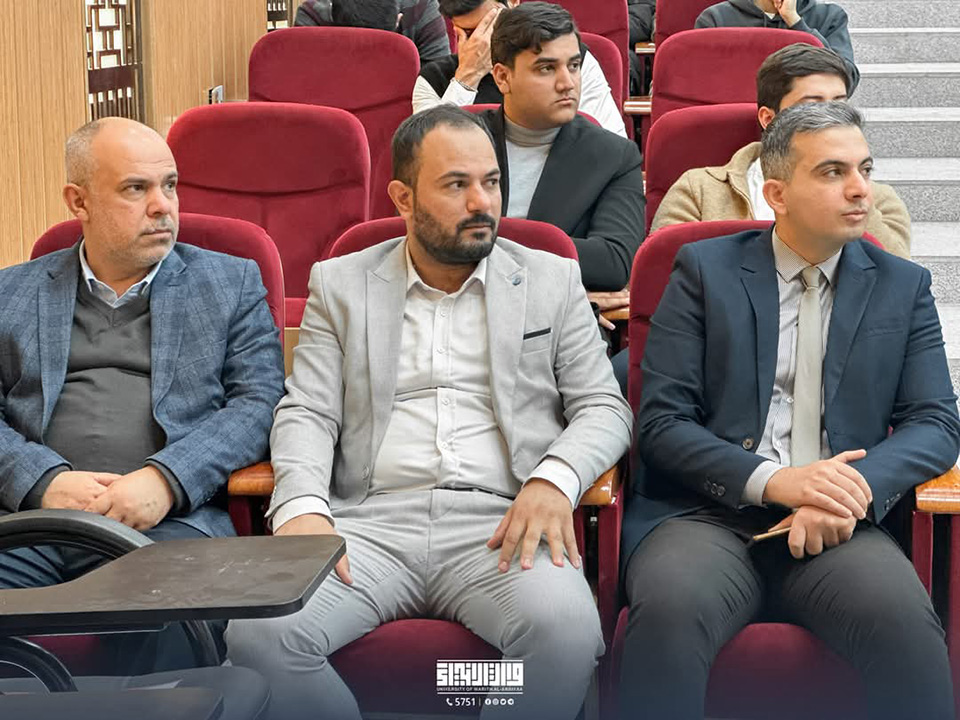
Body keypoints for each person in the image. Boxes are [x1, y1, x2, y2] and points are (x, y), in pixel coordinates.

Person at [225, 104, 631, 720]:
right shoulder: (342, 284)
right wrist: (302, 509)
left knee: (565, 636)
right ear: (403, 198)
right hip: (367, 521)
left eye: (491, 182)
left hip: (502, 521)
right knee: (258, 637)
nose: (482, 202)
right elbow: (308, 411)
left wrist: (554, 480)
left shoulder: (550, 279)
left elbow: (603, 406)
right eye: (456, 184)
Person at [620, 102, 958, 720]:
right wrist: (779, 482)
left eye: (865, 168)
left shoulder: (902, 285)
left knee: (908, 634)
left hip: (841, 524)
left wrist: (846, 491)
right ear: (776, 194)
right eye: (833, 172)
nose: (860, 189)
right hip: (706, 516)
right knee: (668, 619)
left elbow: (935, 423)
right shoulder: (704, 272)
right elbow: (664, 425)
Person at [0, 117, 285, 663]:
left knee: (170, 627)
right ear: (78, 201)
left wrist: (166, 479)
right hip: (30, 523)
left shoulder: (229, 284)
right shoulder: (11, 292)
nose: (163, 206)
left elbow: (259, 402)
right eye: (136, 189)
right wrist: (42, 482)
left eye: (169, 185)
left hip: (169, 526)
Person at [652, 44, 910, 259]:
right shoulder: (698, 190)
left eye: (839, 106)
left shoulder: (876, 198)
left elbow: (898, 285)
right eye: (812, 106)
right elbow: (666, 277)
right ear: (768, 118)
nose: (831, 119)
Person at [478, 2, 645, 329]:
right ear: (502, 77)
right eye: (546, 68)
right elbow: (434, 242)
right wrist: (565, 291)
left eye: (574, 66)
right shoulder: (459, 142)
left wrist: (484, 243)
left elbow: (612, 263)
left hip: (560, 329)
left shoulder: (614, 156)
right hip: (464, 314)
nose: (567, 82)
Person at [416, 0, 627, 137]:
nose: (483, 42)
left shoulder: (569, 61)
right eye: (470, 33)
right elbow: (426, 157)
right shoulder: (433, 79)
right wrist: (466, 78)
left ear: (513, 2)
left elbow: (611, 142)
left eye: (489, 26)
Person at [696, 0, 859, 90]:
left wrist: (795, 22)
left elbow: (847, 81)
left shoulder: (830, 16)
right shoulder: (715, 18)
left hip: (806, 122)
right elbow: (701, 85)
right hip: (735, 122)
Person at [295, 0, 451, 64]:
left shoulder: (422, 8)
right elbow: (301, 83)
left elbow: (436, 86)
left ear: (398, 20)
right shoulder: (313, 15)